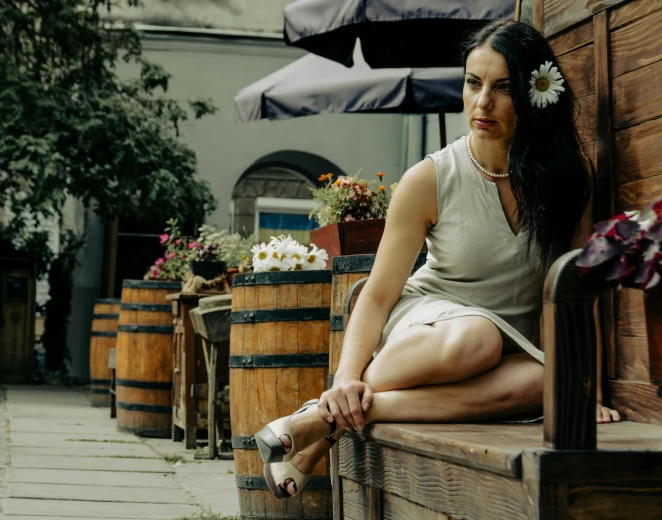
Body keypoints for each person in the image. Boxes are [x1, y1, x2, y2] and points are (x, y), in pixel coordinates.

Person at [253, 20, 622, 500]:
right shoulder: (429, 178)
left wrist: (585, 389)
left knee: (553, 379)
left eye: (503, 87)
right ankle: (334, 408)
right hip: (426, 328)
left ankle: (321, 422)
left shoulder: (569, 181)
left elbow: (571, 289)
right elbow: (379, 293)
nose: (482, 102)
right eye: (473, 83)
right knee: (477, 336)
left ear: (536, 92)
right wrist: (343, 377)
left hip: (498, 358)